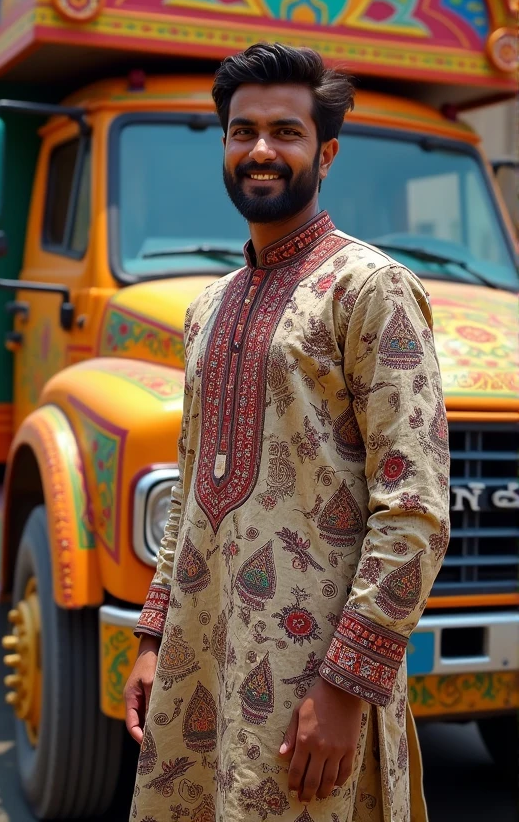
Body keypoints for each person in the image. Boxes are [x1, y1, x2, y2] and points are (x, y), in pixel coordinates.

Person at [124, 43, 450, 822]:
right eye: (242, 132)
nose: (261, 150)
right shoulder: (208, 307)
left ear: (325, 153)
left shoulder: (372, 289)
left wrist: (344, 688)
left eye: (286, 132)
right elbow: (196, 480)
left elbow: (415, 511)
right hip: (202, 659)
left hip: (314, 678)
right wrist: (151, 638)